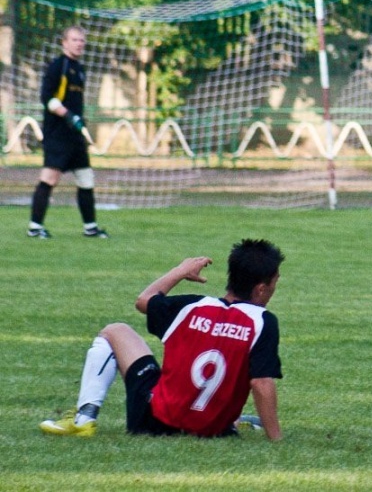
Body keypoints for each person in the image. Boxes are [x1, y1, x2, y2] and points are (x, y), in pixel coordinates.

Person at [39, 239, 286, 441]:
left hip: (152, 422)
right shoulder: (263, 321)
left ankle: (84, 418)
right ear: (261, 289)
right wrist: (276, 439)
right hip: (213, 430)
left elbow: (143, 300)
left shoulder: (192, 306)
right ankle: (231, 420)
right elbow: (261, 383)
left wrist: (179, 271)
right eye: (275, 282)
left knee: (115, 331)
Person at [28, 25, 108, 239]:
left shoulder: (79, 69)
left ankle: (90, 228)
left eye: (82, 40)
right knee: (49, 178)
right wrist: (68, 115)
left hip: (75, 137)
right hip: (58, 135)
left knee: (86, 178)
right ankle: (34, 228)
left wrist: (78, 121)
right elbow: (48, 99)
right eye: (75, 40)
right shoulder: (57, 66)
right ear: (64, 42)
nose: (79, 43)